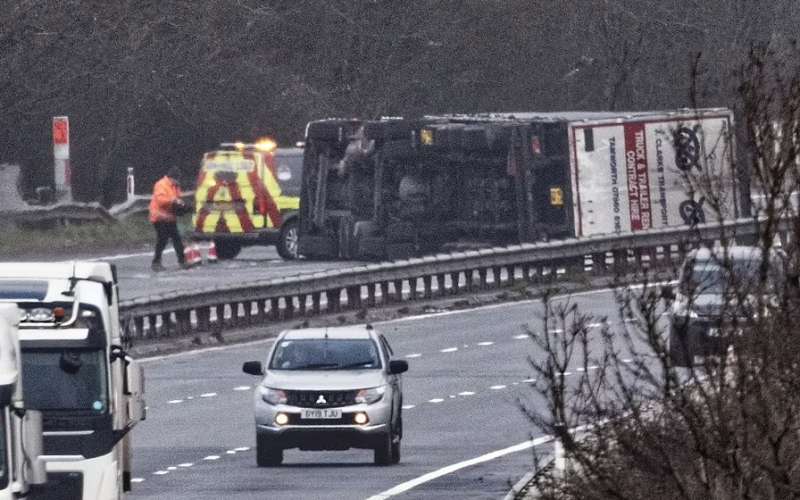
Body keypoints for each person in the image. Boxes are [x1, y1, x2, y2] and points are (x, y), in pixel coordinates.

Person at [149, 166, 188, 272]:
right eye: (176, 179)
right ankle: (156, 262)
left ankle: (182, 260)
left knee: (177, 239)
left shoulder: (175, 186)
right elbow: (161, 200)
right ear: (171, 177)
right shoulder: (161, 184)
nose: (177, 181)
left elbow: (178, 198)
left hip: (170, 217)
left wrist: (182, 205)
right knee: (162, 239)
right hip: (159, 217)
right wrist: (174, 201)